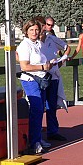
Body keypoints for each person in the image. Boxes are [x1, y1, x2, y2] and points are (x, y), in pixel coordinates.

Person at [16, 19, 52, 154]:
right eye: (31, 30)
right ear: (26, 31)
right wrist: (42, 67)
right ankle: (34, 141)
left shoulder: (39, 44)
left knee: (40, 109)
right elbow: (24, 66)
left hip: (41, 79)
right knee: (36, 108)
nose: (34, 32)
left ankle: (37, 138)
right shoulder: (25, 45)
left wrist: (49, 64)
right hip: (30, 80)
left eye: (36, 30)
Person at [40, 16, 70, 140]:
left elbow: (67, 48)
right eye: (47, 24)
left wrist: (62, 60)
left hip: (52, 77)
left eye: (52, 25)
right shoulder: (33, 41)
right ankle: (36, 133)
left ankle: (52, 131)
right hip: (40, 77)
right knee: (38, 106)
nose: (49, 27)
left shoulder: (52, 39)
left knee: (51, 106)